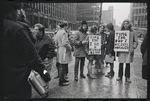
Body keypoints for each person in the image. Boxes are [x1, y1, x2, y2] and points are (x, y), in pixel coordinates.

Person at [2, 3, 51, 98]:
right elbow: (33, 58)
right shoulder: (16, 28)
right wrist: (46, 74)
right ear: (11, 11)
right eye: (17, 11)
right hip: (17, 84)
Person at [55, 21, 72, 86]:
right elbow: (65, 43)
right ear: (65, 26)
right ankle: (61, 81)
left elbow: (56, 41)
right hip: (64, 50)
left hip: (60, 49)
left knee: (63, 65)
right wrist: (70, 47)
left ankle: (63, 79)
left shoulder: (58, 31)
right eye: (67, 26)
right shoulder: (64, 32)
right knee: (62, 66)